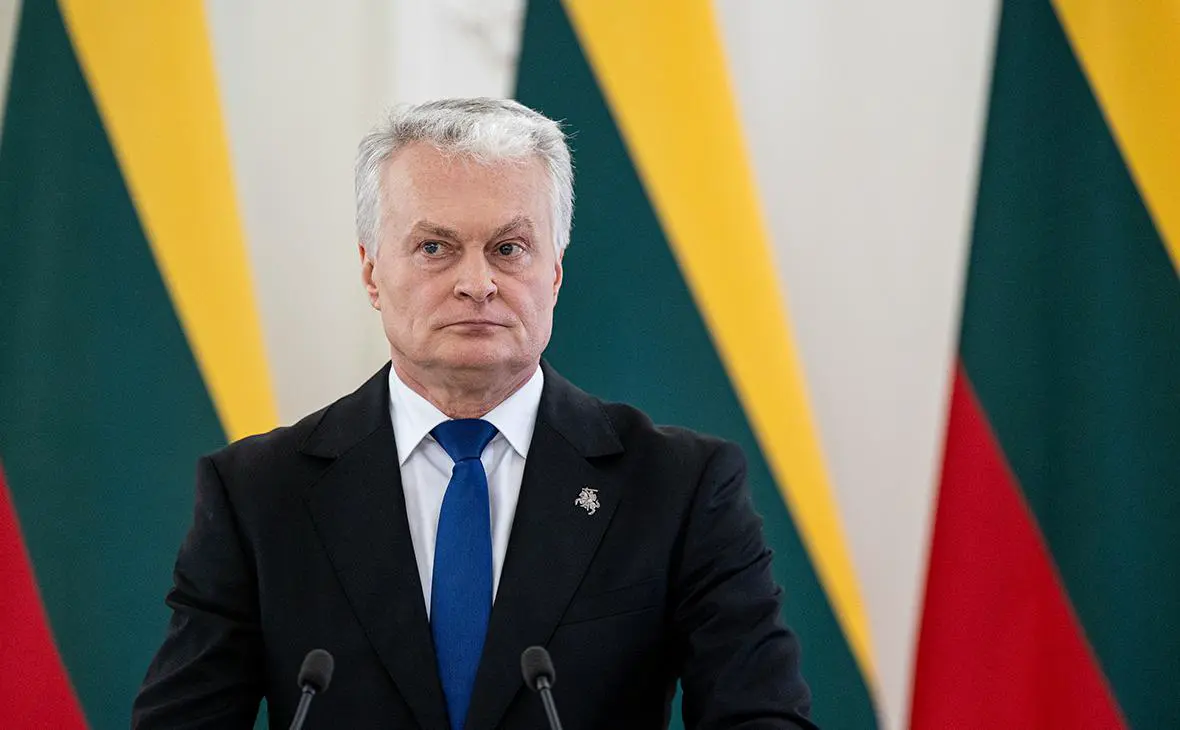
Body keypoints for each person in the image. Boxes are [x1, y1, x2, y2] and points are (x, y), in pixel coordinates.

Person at [132, 98, 814, 730]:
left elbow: (762, 718)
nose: (477, 283)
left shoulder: (679, 486)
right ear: (371, 273)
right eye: (435, 247)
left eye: (509, 249)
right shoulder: (259, 494)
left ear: (554, 273)